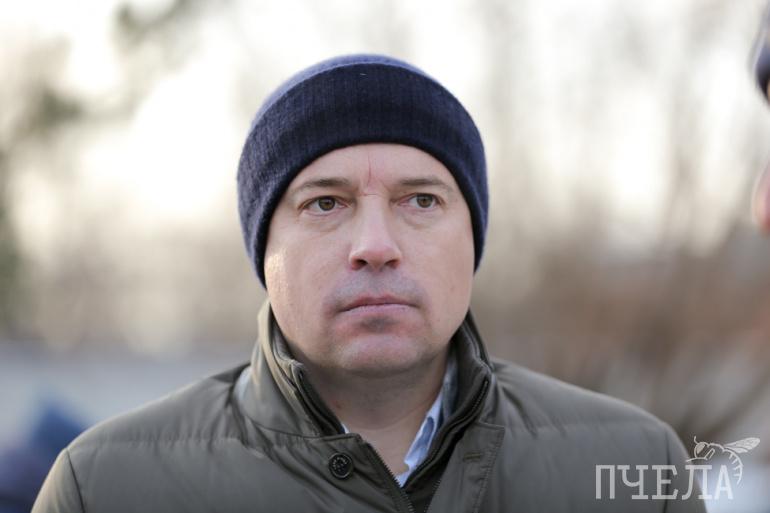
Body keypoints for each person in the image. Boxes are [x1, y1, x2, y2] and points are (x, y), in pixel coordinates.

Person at [32, 55, 705, 512]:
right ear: (264, 250)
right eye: (325, 203)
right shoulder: (106, 487)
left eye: (422, 200)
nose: (375, 246)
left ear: (473, 239)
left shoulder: (638, 470)